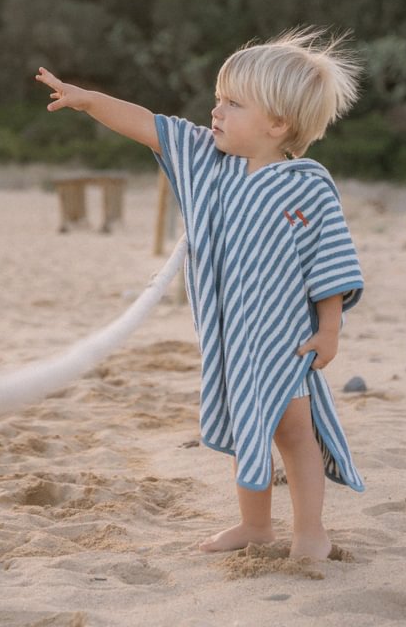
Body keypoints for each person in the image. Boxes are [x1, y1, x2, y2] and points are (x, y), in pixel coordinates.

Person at [36, 28, 365, 562]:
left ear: (278, 123)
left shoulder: (307, 185)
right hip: (231, 337)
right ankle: (255, 527)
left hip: (286, 340)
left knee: (294, 434)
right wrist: (89, 100)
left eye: (233, 103)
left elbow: (329, 261)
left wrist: (329, 328)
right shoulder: (208, 162)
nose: (216, 111)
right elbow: (149, 126)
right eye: (218, 98)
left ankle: (310, 532)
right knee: (246, 427)